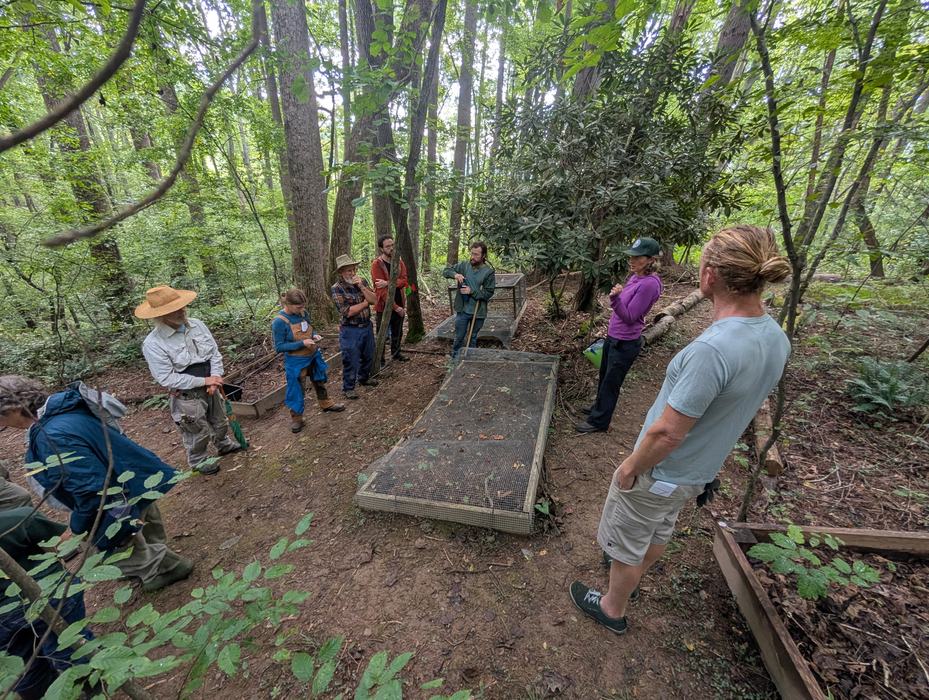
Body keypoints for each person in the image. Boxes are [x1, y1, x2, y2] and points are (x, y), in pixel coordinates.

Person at [569, 225, 791, 635]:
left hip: (662, 471)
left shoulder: (713, 349)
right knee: (658, 527)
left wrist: (631, 467)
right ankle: (630, 577)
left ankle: (612, 607)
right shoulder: (775, 338)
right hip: (696, 473)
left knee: (629, 535)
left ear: (709, 274)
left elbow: (667, 432)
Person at [0, 376, 194, 593]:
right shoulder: (64, 410)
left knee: (99, 553)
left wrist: (76, 529)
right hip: (133, 481)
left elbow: (92, 490)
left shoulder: (52, 434)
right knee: (140, 521)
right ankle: (152, 560)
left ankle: (169, 567)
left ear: (14, 407)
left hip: (117, 496)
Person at [136, 285, 244, 475]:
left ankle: (223, 443)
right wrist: (204, 382)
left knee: (219, 420)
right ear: (160, 315)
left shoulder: (197, 325)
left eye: (182, 306)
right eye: (174, 310)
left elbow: (214, 353)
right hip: (187, 394)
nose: (181, 311)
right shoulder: (153, 343)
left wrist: (215, 378)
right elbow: (166, 377)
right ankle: (198, 460)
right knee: (196, 429)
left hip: (212, 383)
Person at [0, 506, 93, 699]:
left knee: (22, 666)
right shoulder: (19, 519)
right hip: (48, 595)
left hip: (4, 618)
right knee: (69, 646)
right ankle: (89, 686)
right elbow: (64, 546)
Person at [576, 237, 663, 434]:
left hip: (625, 342)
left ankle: (599, 422)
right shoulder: (635, 277)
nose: (631, 261)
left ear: (650, 259)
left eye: (637, 258)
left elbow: (631, 316)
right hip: (614, 337)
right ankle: (598, 408)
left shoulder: (649, 284)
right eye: (631, 257)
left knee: (611, 383)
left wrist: (614, 299)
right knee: (604, 376)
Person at [272, 288, 345, 433]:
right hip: (296, 361)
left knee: (319, 380)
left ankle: (326, 403)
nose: (302, 309)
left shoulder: (303, 313)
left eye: (303, 306)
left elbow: (311, 329)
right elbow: (279, 347)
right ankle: (297, 418)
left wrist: (315, 335)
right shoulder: (279, 322)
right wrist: (302, 343)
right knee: (297, 388)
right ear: (288, 304)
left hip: (312, 355)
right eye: (299, 307)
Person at [331, 254, 379, 400]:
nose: (352, 273)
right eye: (348, 271)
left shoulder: (361, 282)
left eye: (353, 270)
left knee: (369, 355)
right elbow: (347, 312)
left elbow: (374, 300)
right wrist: (365, 303)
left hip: (366, 326)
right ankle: (349, 387)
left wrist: (361, 287)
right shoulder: (337, 288)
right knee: (351, 358)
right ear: (341, 272)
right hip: (350, 330)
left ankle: (364, 378)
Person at [442, 241, 496, 357]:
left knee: (473, 336)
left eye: (476, 254)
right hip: (463, 309)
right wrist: (455, 275)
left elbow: (488, 293)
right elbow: (446, 271)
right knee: (459, 336)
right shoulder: (464, 266)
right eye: (472, 253)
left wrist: (472, 292)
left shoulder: (488, 272)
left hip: (478, 311)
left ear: (483, 256)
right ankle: (455, 360)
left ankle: (470, 360)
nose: (473, 257)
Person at [371, 235, 411, 363]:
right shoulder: (377, 264)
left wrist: (388, 282)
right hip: (384, 305)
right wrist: (395, 307)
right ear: (381, 249)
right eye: (388, 246)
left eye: (392, 245)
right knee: (382, 333)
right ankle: (380, 359)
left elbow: (404, 281)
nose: (391, 248)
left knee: (397, 330)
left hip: (400, 300)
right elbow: (380, 290)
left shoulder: (399, 262)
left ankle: (396, 353)